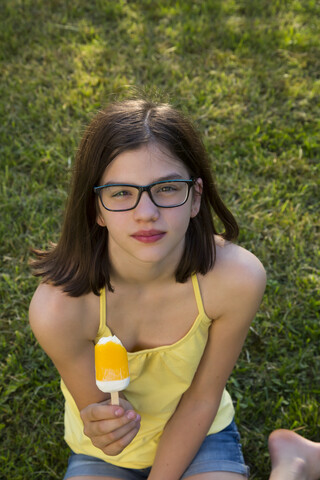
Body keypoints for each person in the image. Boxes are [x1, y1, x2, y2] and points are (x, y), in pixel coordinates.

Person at [29, 97, 308, 480]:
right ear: (96, 208)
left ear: (195, 196)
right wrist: (101, 425)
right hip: (108, 457)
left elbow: (201, 399)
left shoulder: (236, 279)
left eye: (166, 188)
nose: (147, 212)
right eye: (122, 193)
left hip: (200, 433)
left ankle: (294, 463)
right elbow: (102, 423)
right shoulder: (58, 309)